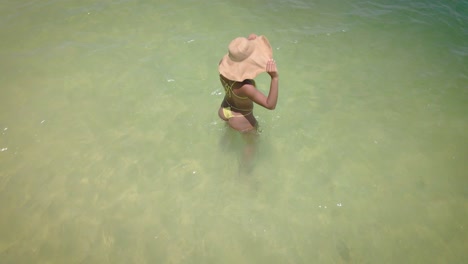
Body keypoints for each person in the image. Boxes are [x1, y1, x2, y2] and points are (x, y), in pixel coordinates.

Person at [217, 33, 279, 133]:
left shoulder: (222, 66)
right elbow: (270, 105)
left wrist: (249, 43)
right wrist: (274, 78)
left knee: (228, 139)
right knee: (252, 146)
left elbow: (239, 54)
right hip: (241, 119)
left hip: (225, 108)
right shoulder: (246, 87)